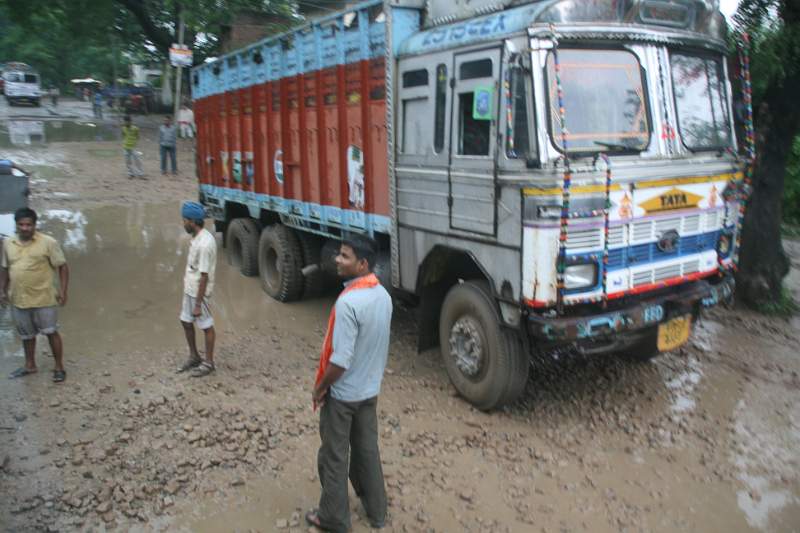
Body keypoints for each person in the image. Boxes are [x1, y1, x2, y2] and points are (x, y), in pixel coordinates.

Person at [306, 235, 392, 533]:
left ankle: (333, 519)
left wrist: (320, 388)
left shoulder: (348, 303)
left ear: (362, 264)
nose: (337, 260)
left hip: (343, 396)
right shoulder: (383, 296)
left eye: (344, 256)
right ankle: (377, 513)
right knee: (367, 450)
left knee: (334, 457)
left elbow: (340, 360)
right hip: (369, 391)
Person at [0, 208, 69, 383]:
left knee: (51, 332)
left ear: (35, 225)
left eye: (28, 224)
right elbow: (6, 269)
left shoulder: (48, 242)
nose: (25, 228)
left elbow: (62, 266)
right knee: (26, 334)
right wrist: (2, 290)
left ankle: (59, 366)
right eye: (21, 224)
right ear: (16, 225)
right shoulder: (8, 243)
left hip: (44, 298)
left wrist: (63, 291)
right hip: (18, 298)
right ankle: (30, 365)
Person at [177, 201, 217, 377]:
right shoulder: (197, 238)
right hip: (190, 288)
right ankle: (194, 356)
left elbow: (204, 276)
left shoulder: (205, 244)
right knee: (185, 321)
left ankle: (209, 363)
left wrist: (199, 304)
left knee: (206, 326)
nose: (183, 223)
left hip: (199, 293)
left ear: (192, 221)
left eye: (184, 220)